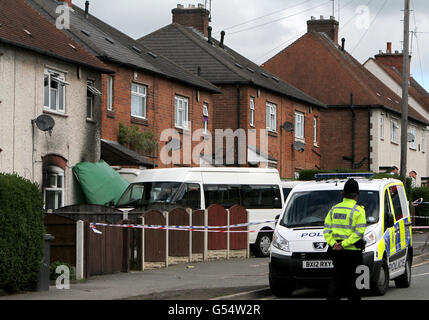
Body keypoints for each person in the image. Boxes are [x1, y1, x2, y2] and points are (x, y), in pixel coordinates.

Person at [324, 178, 367, 301]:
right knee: (355, 286)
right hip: (353, 253)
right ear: (356, 195)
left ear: (343, 194)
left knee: (336, 283)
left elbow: (326, 230)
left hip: (337, 252)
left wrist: (334, 244)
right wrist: (344, 244)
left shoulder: (334, 209)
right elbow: (359, 233)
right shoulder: (359, 211)